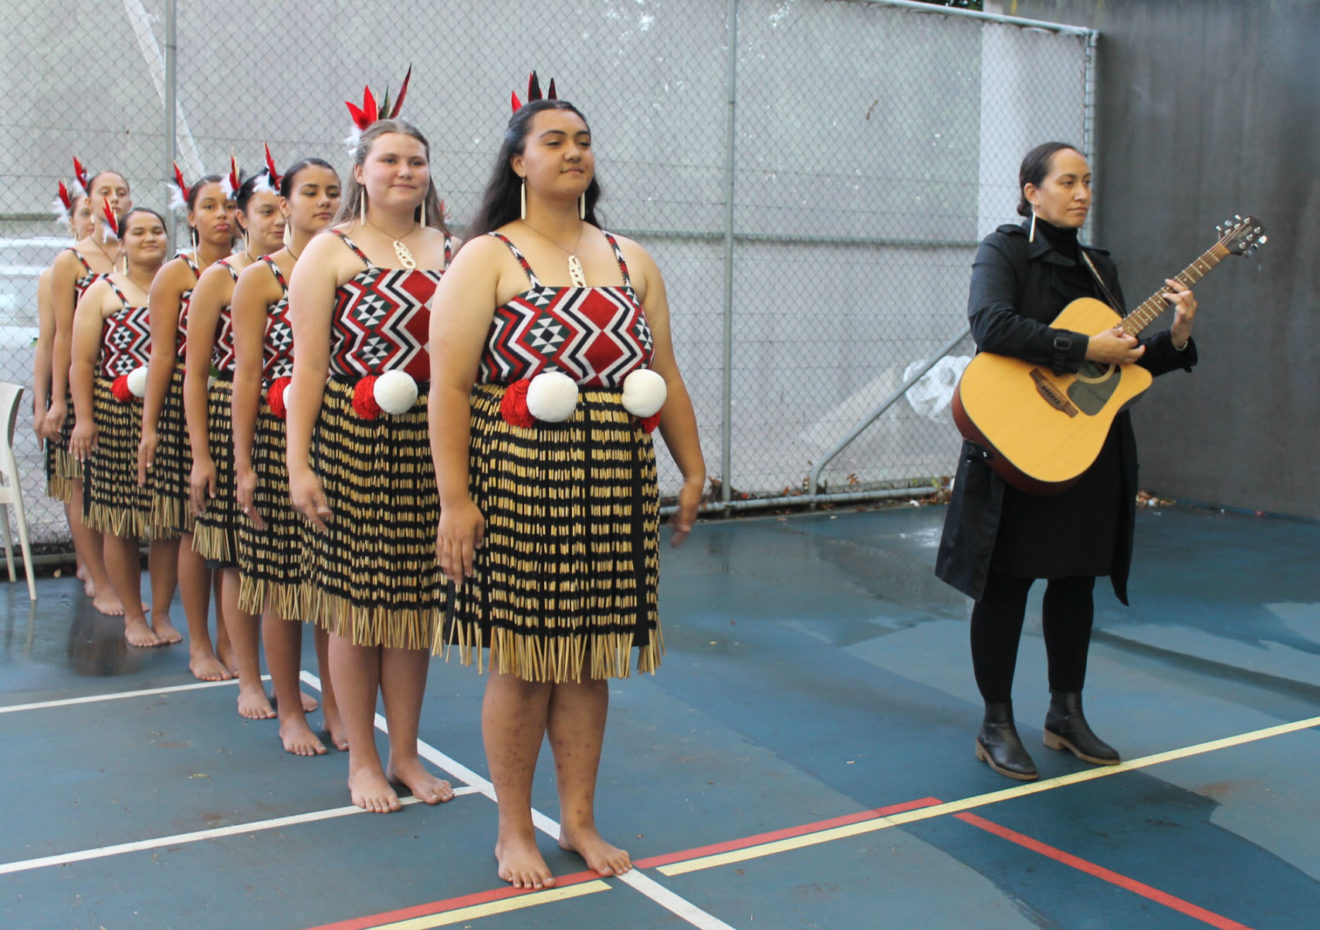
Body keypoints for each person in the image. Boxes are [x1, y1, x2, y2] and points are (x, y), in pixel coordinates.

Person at [430, 78, 705, 890]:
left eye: (581, 138)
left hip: (614, 481)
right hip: (519, 483)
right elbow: (448, 386)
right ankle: (514, 828)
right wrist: (455, 500)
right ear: (517, 160)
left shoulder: (630, 259)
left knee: (589, 659)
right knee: (521, 661)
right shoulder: (486, 256)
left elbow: (665, 371)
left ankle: (577, 818)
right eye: (552, 140)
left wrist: (690, 469)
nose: (573, 150)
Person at [935, 141, 1199, 781]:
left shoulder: (1099, 268)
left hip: (1085, 451)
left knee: (1076, 583)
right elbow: (991, 326)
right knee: (1006, 586)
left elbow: (1117, 368)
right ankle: (996, 722)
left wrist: (1179, 336)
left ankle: (1066, 716)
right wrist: (1083, 342)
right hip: (1015, 450)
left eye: (1088, 183)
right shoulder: (1003, 251)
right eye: (1068, 181)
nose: (1082, 193)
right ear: (1032, 190)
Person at [286, 117, 454, 811]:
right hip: (354, 449)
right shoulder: (329, 251)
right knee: (358, 610)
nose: (404, 172)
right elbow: (309, 368)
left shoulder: (455, 249)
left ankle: (406, 754)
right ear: (362, 172)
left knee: (413, 608)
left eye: (416, 160)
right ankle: (361, 759)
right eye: (389, 160)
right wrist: (298, 464)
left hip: (432, 448)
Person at [232, 156, 346, 755]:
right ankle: (288, 713)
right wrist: (243, 463)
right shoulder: (260, 278)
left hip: (342, 442)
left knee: (329, 582)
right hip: (280, 442)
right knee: (283, 583)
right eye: (309, 192)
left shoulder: (349, 268)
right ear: (284, 203)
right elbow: (246, 376)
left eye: (333, 191)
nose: (324, 201)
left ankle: (334, 702)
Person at [186, 166, 287, 718]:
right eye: (264, 211)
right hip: (235, 420)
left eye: (282, 209)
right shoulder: (221, 278)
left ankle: (284, 678)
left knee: (286, 562)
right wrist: (204, 454)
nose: (277, 220)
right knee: (237, 558)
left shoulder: (307, 270)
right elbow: (195, 372)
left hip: (292, 422)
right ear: (241, 219)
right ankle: (249, 678)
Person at [140, 172, 237, 677]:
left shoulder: (254, 268)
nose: (221, 214)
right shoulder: (178, 274)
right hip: (188, 407)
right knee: (195, 527)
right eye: (209, 206)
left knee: (233, 534)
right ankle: (199, 642)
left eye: (229, 205)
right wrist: (151, 425)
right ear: (192, 215)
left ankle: (230, 638)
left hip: (234, 409)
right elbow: (162, 357)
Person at [68, 207, 169, 646]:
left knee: (169, 521)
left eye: (158, 231)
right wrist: (85, 418)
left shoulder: (182, 287)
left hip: (169, 417)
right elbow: (82, 362)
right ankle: (134, 615)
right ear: (122, 240)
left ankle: (163, 613)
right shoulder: (102, 291)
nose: (150, 238)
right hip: (115, 416)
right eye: (139, 232)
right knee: (120, 520)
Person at [42, 167, 132, 615]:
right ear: (89, 200)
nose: (114, 197)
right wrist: (59, 400)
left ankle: (117, 575)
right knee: (81, 483)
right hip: (79, 383)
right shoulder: (70, 261)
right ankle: (98, 577)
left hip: (123, 389)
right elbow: (60, 335)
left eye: (122, 191)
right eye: (104, 191)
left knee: (114, 487)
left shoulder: (136, 254)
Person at [34, 182, 95, 578]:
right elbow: (50, 340)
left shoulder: (135, 263)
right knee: (77, 480)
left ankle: (104, 562)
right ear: (71, 221)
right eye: (85, 213)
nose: (94, 219)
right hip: (72, 387)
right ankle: (90, 565)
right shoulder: (60, 270)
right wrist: (47, 403)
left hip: (115, 389)